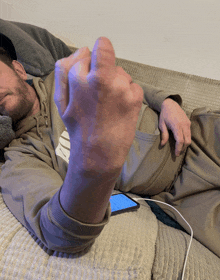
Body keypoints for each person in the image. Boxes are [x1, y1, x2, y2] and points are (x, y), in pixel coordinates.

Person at [0, 33, 219, 257]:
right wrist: (92, 168)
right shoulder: (21, 158)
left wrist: (166, 101)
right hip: (184, 199)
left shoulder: (66, 77)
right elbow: (60, 233)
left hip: (204, 136)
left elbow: (125, 83)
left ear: (18, 69)